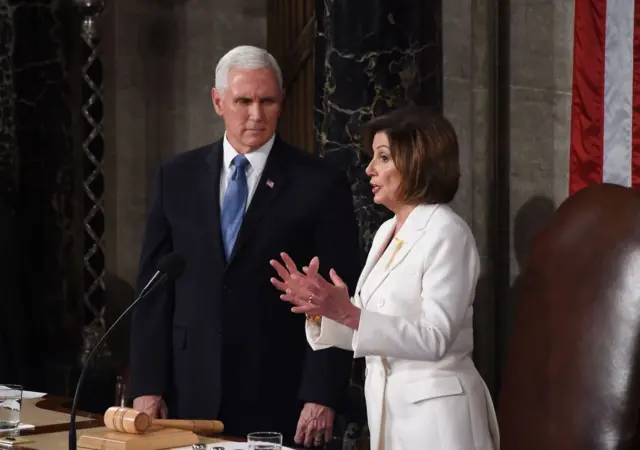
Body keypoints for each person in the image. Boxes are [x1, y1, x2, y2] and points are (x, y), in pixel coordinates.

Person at [128, 45, 361, 447]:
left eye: (267, 101)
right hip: (189, 391)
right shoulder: (176, 177)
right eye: (243, 101)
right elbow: (152, 292)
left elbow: (339, 296)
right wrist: (148, 386)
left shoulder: (319, 184)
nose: (256, 114)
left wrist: (321, 394)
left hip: (279, 391)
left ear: (282, 101)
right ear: (218, 102)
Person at [270, 106, 500, 450]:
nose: (369, 170)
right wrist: (322, 309)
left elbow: (435, 337)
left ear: (417, 162)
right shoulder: (387, 231)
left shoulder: (447, 232)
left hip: (437, 420)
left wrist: (348, 312)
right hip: (389, 415)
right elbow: (368, 329)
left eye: (383, 158)